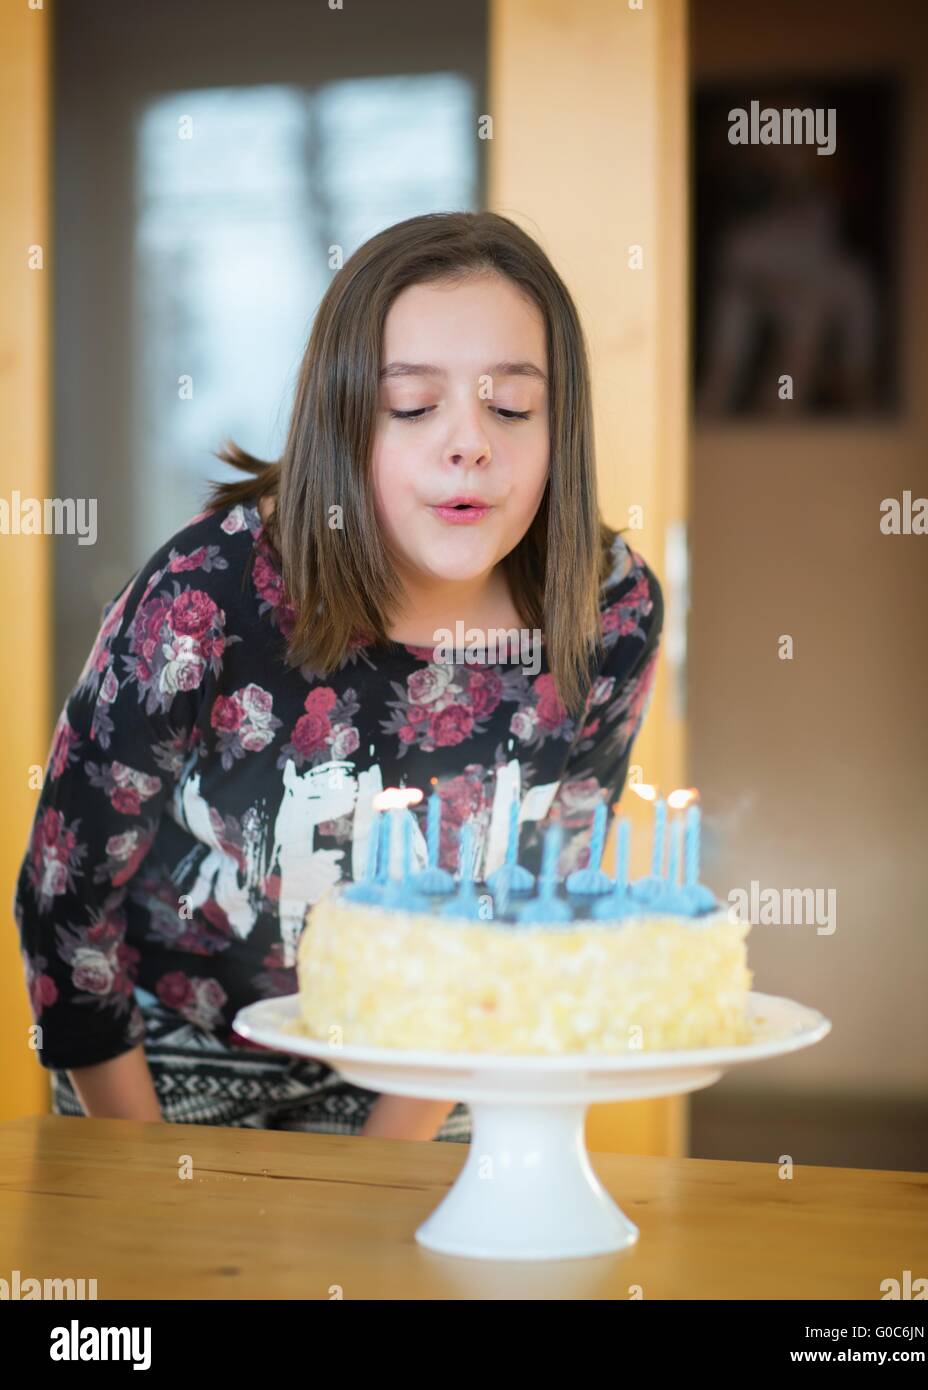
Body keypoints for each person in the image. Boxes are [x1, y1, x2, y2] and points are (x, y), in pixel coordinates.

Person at [12, 210, 664, 1142]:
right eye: (412, 406)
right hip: (174, 1070)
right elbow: (64, 896)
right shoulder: (208, 594)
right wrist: (140, 1168)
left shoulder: (611, 611)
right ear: (342, 421)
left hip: (438, 1063)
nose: (468, 443)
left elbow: (532, 903)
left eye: (512, 406)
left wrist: (387, 1155)